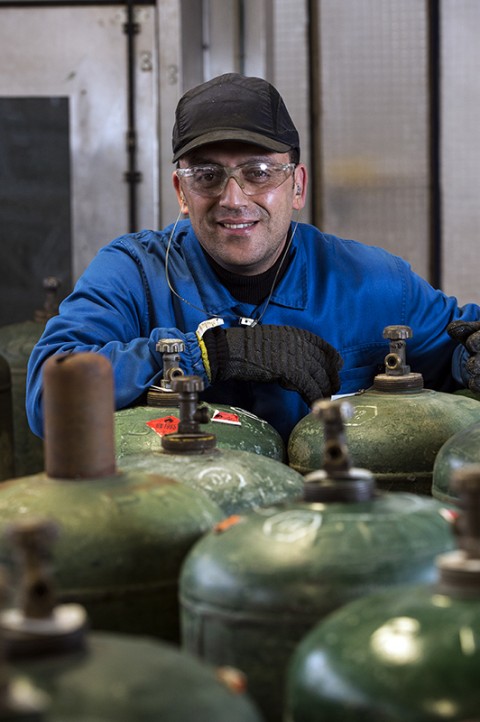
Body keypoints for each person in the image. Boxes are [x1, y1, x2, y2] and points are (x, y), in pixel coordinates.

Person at [26, 72, 480, 444]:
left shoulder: (373, 283)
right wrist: (205, 355)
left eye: (259, 172)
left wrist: (471, 357)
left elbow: (459, 345)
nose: (233, 198)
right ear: (181, 191)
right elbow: (49, 396)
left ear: (297, 185)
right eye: (207, 175)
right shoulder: (133, 275)